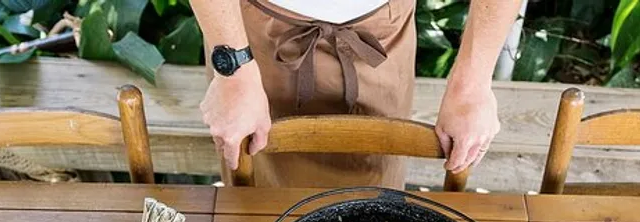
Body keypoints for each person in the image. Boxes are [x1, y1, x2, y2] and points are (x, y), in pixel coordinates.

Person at [190, 0, 521, 187]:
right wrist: (233, 69)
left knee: (377, 209)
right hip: (254, 45)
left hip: (381, 36)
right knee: (256, 207)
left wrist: (472, 84)